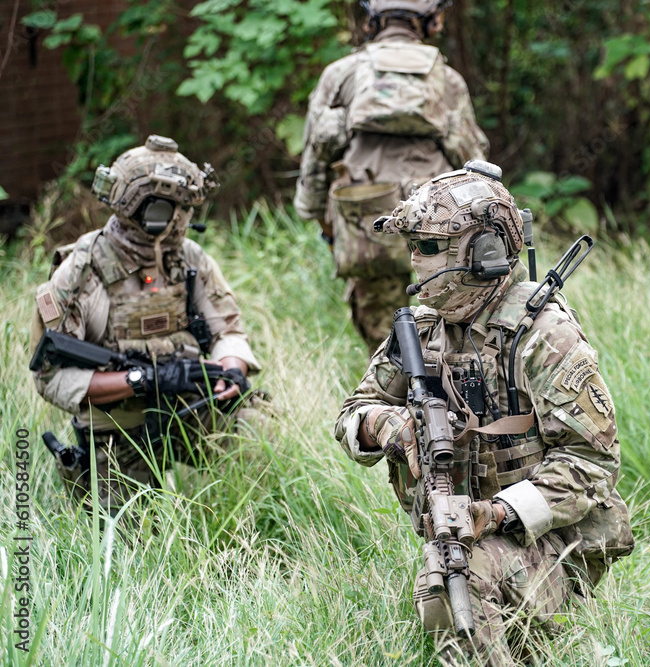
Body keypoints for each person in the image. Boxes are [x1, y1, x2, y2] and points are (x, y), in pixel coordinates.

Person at [334, 162, 633, 665]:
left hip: (551, 537)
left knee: (455, 585)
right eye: (411, 246)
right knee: (450, 586)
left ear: (482, 252)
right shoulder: (423, 328)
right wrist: (388, 425)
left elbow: (593, 465)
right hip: (466, 528)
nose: (413, 260)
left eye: (427, 247)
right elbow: (352, 412)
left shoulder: (543, 335)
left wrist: (494, 513)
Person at [30, 135, 260, 515]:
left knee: (261, 433)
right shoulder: (81, 272)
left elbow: (228, 330)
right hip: (117, 426)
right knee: (127, 543)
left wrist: (230, 373)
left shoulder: (188, 259)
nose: (182, 220)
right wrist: (142, 380)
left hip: (190, 404)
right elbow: (50, 377)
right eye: (176, 208)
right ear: (145, 208)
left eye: (186, 209)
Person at [294, 0, 489, 352]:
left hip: (364, 225)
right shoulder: (447, 79)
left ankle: (387, 401)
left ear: (373, 19)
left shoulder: (341, 74)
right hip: (439, 230)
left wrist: (321, 221)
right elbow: (472, 162)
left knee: (384, 341)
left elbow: (316, 157)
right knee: (444, 337)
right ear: (430, 21)